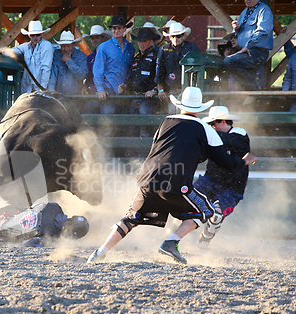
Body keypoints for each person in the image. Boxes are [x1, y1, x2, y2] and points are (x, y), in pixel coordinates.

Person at [87, 87, 257, 265]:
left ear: (181, 105)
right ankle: (171, 242)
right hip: (176, 181)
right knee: (205, 211)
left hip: (148, 178)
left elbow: (157, 146)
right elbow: (223, 159)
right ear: (199, 109)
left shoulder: (166, 121)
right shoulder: (204, 129)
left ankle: (99, 252)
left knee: (130, 218)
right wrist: (242, 162)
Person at [195, 106, 250, 246]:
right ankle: (172, 234)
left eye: (213, 124)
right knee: (185, 200)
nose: (212, 127)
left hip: (232, 188)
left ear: (223, 122)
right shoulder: (214, 136)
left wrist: (202, 133)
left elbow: (229, 141)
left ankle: (204, 242)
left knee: (216, 217)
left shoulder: (240, 135)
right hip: (209, 180)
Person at [118, 23, 161, 137]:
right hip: (135, 97)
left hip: (148, 100)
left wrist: (155, 90)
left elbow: (161, 76)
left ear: (151, 41)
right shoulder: (137, 58)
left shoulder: (157, 56)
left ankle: (144, 155)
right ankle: (135, 154)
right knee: (133, 129)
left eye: (144, 41)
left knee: (145, 130)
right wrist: (126, 85)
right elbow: (133, 76)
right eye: (139, 41)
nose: (141, 44)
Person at [223, 0, 273, 92]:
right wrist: (236, 28)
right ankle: (252, 93)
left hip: (257, 52)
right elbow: (238, 34)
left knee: (229, 61)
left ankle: (253, 90)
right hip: (247, 51)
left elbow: (263, 30)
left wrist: (248, 45)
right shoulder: (244, 12)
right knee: (234, 65)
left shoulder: (264, 10)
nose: (246, 0)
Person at [93, 15, 134, 116]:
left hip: (123, 91)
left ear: (124, 29)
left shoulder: (131, 48)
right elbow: (97, 70)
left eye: (119, 28)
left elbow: (131, 69)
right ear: (111, 30)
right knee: (108, 123)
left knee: (123, 124)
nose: (116, 31)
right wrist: (100, 89)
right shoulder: (103, 47)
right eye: (114, 28)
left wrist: (127, 85)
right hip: (108, 91)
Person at [155, 22, 200, 114]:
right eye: (172, 36)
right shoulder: (164, 49)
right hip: (172, 89)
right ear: (169, 37)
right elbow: (159, 71)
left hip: (189, 90)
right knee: (172, 113)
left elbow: (199, 69)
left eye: (178, 36)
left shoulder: (192, 48)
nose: (175, 39)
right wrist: (160, 89)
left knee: (188, 114)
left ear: (183, 36)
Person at [14, 21, 54, 93]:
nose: (35, 37)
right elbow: (15, 50)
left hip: (40, 89)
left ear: (42, 34)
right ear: (29, 35)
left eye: (37, 35)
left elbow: (46, 69)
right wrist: (4, 51)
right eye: (32, 35)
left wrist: (42, 89)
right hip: (27, 90)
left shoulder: (47, 46)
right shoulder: (25, 46)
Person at [282, 45, 296, 113]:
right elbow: (288, 77)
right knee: (292, 118)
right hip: (295, 99)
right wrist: (285, 90)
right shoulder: (293, 57)